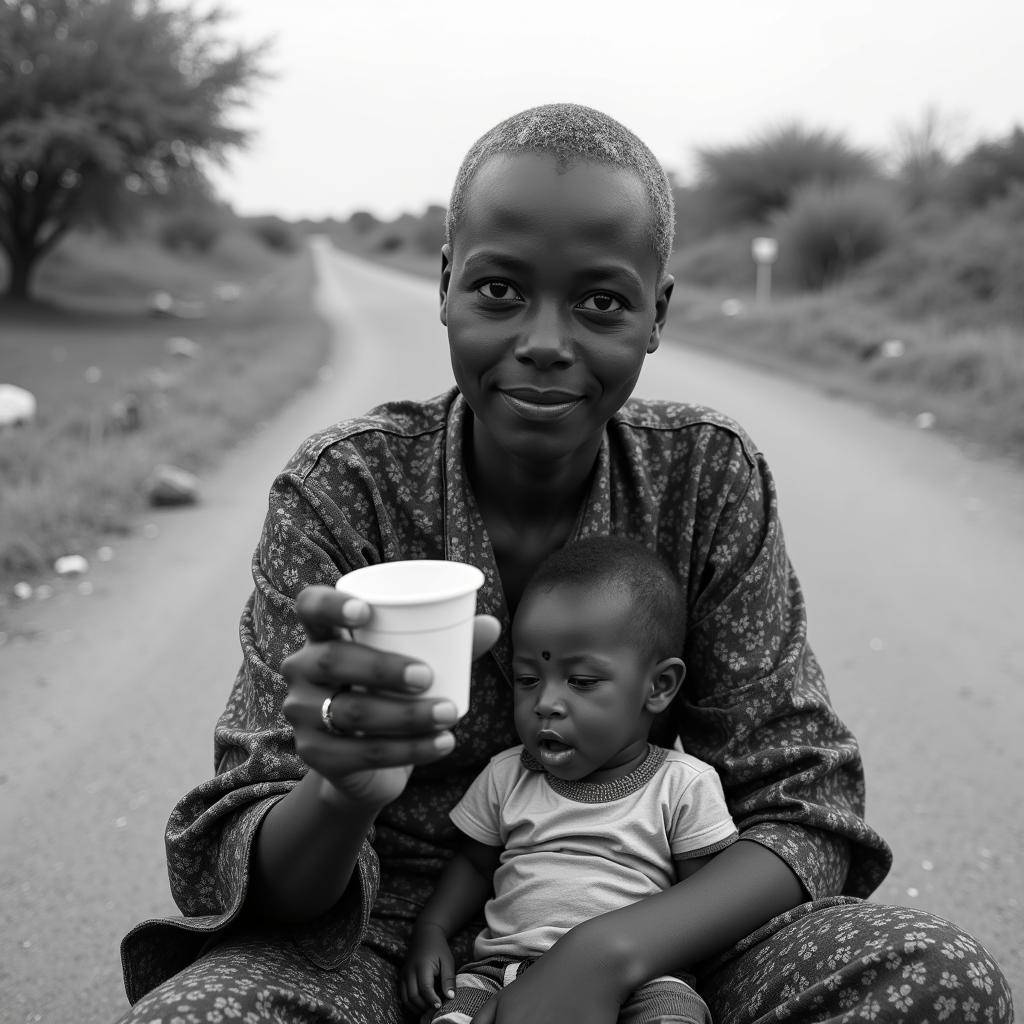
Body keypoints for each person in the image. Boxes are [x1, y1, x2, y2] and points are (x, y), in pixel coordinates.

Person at [116, 104, 1012, 1024]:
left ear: (656, 315)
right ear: (445, 285)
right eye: (500, 290)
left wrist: (610, 951)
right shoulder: (345, 491)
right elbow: (255, 878)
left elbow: (804, 804)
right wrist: (339, 793)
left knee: (939, 977)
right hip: (380, 942)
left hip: (661, 937)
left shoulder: (704, 478)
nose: (545, 340)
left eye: (602, 302)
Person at [401, 536, 738, 1024]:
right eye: (528, 679)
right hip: (501, 970)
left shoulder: (682, 786)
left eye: (581, 681)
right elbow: (475, 866)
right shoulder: (507, 775)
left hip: (642, 979)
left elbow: (704, 899)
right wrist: (431, 929)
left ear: (658, 686)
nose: (546, 703)